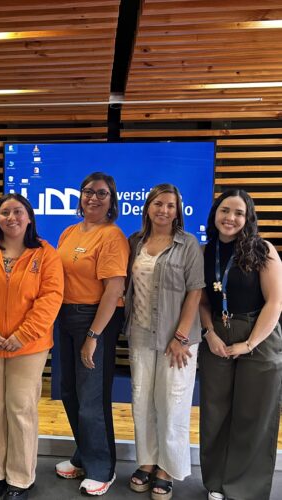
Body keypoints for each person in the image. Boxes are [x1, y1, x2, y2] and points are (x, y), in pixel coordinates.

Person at [0, 193, 63, 500]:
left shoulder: (46, 254)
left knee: (20, 408)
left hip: (29, 347)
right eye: (5, 212)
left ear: (29, 218)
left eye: (18, 211)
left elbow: (51, 298)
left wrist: (23, 334)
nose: (11, 217)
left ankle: (20, 477)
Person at [198, 189, 282, 500]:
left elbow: (274, 303)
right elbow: (202, 301)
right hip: (217, 335)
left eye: (238, 213)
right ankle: (216, 483)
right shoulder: (205, 251)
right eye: (225, 210)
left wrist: (249, 344)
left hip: (258, 335)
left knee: (254, 414)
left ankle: (244, 489)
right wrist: (209, 333)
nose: (230, 218)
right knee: (215, 412)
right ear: (215, 214)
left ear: (248, 219)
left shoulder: (263, 250)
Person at [124, 183, 204, 500]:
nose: (164, 210)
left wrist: (181, 336)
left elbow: (195, 291)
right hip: (140, 334)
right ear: (148, 207)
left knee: (172, 404)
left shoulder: (188, 244)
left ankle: (167, 468)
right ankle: (146, 461)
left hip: (177, 340)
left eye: (170, 205)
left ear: (177, 211)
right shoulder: (135, 242)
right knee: (142, 401)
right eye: (158, 204)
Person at [55, 172, 129, 497]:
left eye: (101, 193)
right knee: (69, 392)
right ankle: (84, 454)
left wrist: (93, 335)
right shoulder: (69, 231)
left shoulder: (112, 236)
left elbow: (114, 291)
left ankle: (102, 468)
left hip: (96, 319)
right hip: (66, 317)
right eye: (88, 191)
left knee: (91, 399)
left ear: (111, 200)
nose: (93, 198)